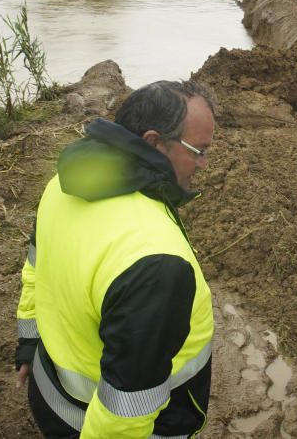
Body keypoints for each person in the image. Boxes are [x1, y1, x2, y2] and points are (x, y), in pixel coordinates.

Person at [14, 80, 216, 438]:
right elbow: (126, 410)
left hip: (49, 392)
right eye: (198, 150)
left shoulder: (62, 185)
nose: (203, 164)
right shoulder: (155, 260)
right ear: (154, 142)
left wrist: (28, 343)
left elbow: (35, 268)